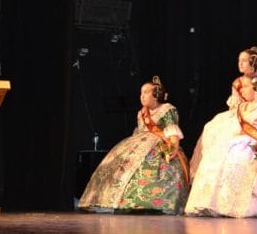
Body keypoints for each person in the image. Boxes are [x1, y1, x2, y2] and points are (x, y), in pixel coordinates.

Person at [185, 72, 257, 217]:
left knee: (242, 160)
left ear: (255, 88)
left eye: (245, 86)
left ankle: (247, 205)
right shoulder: (243, 106)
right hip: (240, 141)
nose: (241, 90)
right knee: (214, 156)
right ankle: (215, 203)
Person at [78, 77, 189, 214]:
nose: (142, 96)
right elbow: (140, 131)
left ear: (156, 95)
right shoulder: (141, 113)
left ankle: (160, 203)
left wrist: (174, 147)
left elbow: (172, 130)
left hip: (160, 144)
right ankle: (119, 202)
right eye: (141, 93)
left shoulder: (167, 109)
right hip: (139, 144)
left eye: (146, 92)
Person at [189, 46, 257, 178]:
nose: (240, 63)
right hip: (244, 114)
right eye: (239, 60)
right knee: (212, 129)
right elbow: (235, 107)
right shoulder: (237, 83)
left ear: (253, 62)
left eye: (244, 60)